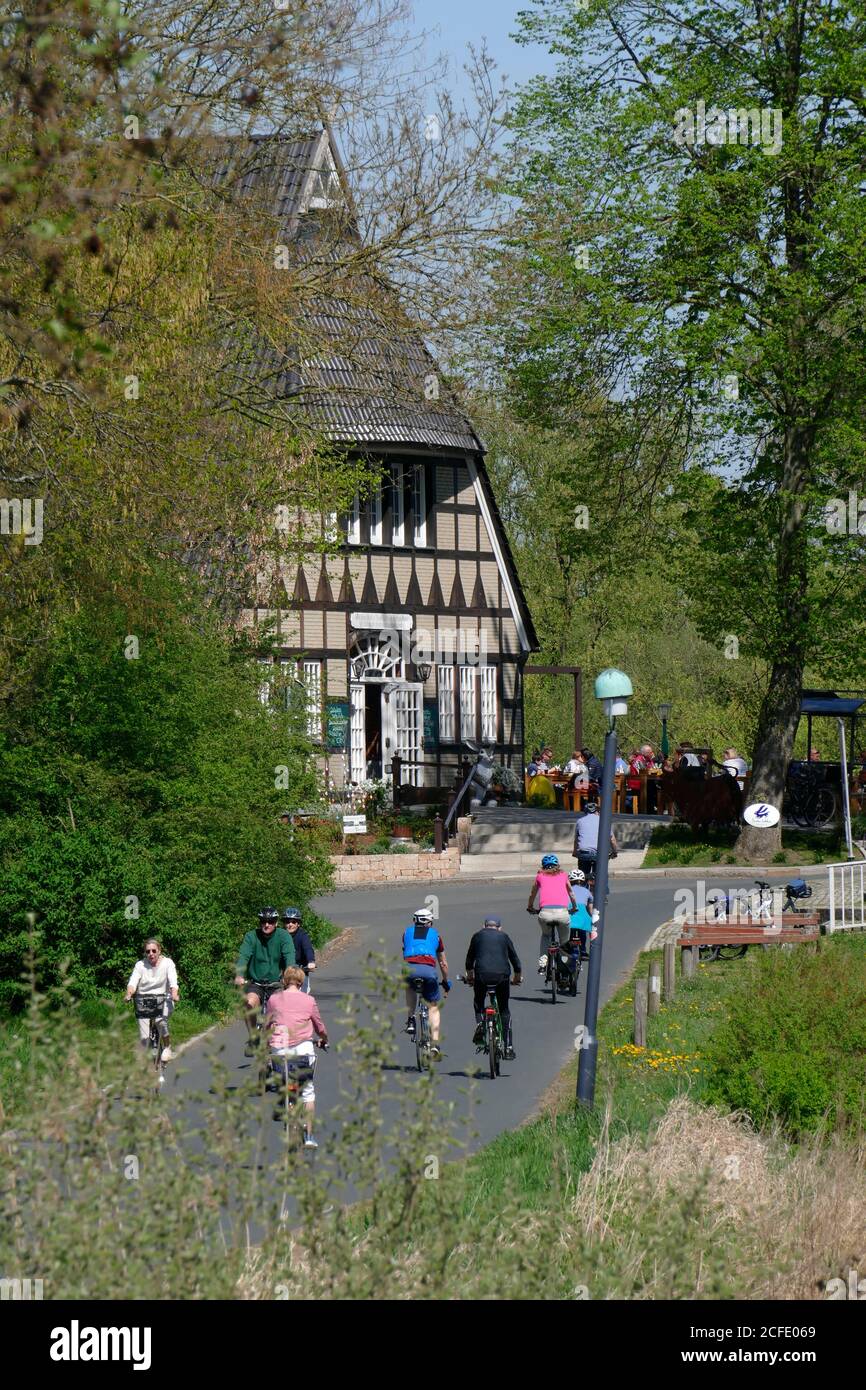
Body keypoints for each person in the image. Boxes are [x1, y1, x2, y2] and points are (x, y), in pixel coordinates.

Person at [266, 964, 329, 1149]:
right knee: (308, 1093)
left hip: (280, 1049)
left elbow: (268, 1024)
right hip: (303, 1050)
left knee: (285, 1084)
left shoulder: (274, 999)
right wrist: (324, 1039)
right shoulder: (308, 1001)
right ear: (301, 983)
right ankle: (309, 1136)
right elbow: (319, 1026)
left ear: (284, 981)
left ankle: (285, 1105)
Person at [234, 907, 296, 1056]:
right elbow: (243, 956)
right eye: (263, 921)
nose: (266, 924)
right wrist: (239, 974)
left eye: (270, 921)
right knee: (249, 1004)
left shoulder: (283, 936)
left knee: (277, 1012)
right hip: (256, 982)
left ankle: (275, 1039)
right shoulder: (251, 936)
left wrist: (289, 977)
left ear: (276, 923)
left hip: (276, 982)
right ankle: (253, 1037)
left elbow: (289, 957)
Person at [465, 916, 522, 1059]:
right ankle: (508, 1046)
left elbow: (469, 959)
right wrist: (516, 977)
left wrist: (470, 976)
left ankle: (480, 1025)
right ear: (499, 928)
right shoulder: (504, 936)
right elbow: (514, 959)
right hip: (502, 976)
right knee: (504, 1009)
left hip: (482, 975)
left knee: (478, 1001)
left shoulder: (477, 936)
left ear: (484, 926)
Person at [402, 908, 450, 1058]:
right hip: (428, 971)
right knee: (433, 1007)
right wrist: (445, 981)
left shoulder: (406, 933)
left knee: (409, 988)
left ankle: (410, 1019)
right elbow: (443, 963)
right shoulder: (436, 936)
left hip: (409, 968)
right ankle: (435, 1044)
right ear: (430, 922)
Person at [125, 938, 180, 1061]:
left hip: (164, 998)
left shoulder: (168, 963)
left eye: (154, 951)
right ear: (145, 953)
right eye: (148, 951)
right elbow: (133, 982)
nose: (151, 954)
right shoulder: (140, 965)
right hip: (144, 1000)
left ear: (159, 951)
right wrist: (129, 994)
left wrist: (174, 994)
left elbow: (173, 981)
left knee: (160, 1021)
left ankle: (167, 1047)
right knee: (144, 1040)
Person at [527, 853, 578, 972]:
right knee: (564, 941)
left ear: (543, 866)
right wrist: (574, 907)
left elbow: (532, 894)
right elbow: (571, 893)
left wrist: (530, 906)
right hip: (562, 913)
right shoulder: (564, 875)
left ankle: (543, 965)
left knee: (546, 936)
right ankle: (566, 966)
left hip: (545, 913)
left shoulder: (540, 876)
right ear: (557, 865)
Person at [572, 800, 618, 885]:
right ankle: (599, 893)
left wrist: (575, 852)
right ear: (598, 811)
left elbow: (577, 840)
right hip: (600, 853)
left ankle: (583, 890)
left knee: (583, 876)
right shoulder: (604, 821)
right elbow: (612, 839)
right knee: (599, 876)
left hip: (584, 853)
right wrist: (614, 852)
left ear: (585, 812)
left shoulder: (580, 821)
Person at [282, 906, 316, 992]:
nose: (290, 924)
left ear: (298, 924)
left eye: (293, 922)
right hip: (284, 973)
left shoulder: (303, 936)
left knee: (302, 997)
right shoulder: (279, 935)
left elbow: (308, 949)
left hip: (300, 971)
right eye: (287, 922)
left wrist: (311, 961)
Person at [567, 868, 594, 961]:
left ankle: (569, 949)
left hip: (570, 915)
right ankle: (583, 951)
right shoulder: (587, 892)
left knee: (569, 932)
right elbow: (590, 910)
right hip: (582, 917)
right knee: (582, 932)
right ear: (583, 881)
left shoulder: (566, 890)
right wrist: (593, 918)